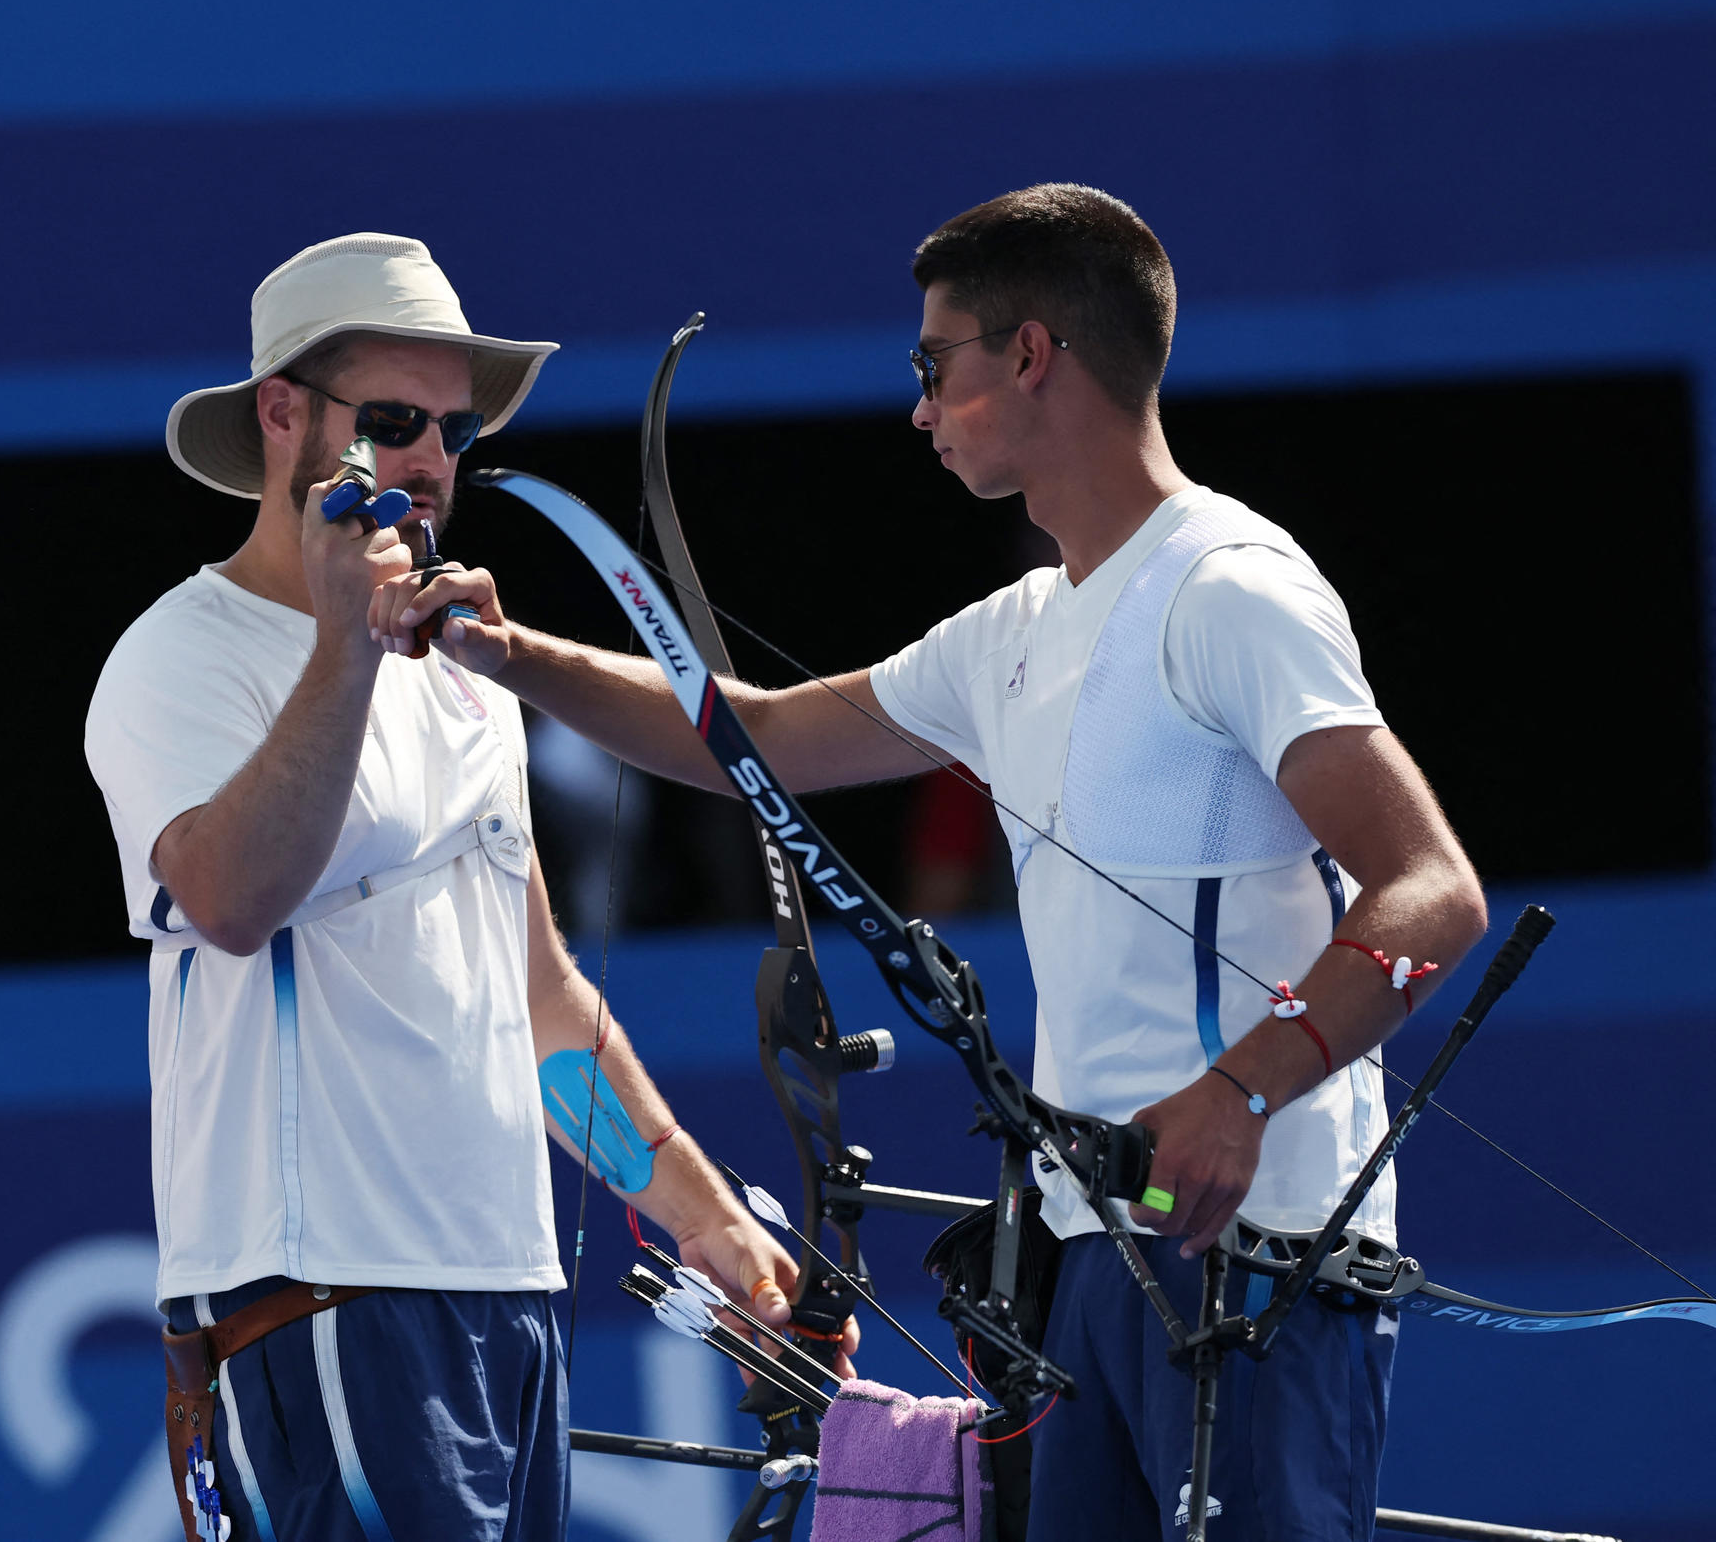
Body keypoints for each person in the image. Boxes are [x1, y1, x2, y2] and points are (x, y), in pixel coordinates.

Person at [394, 185, 1491, 1539]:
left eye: (935, 363)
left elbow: (1431, 891)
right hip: (1092, 1265)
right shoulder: (1018, 630)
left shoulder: (1231, 588)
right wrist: (509, 654)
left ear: (1032, 353)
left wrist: (1240, 1096)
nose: (918, 406)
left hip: (1256, 1252)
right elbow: (759, 738)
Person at [84, 234, 832, 1542]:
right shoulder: (177, 656)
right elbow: (229, 899)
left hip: (510, 1299)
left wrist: (702, 1216)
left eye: (451, 429)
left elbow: (540, 1010)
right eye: (390, 422)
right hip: (321, 1304)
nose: (430, 459)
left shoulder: (471, 685)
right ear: (280, 415)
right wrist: (345, 644)